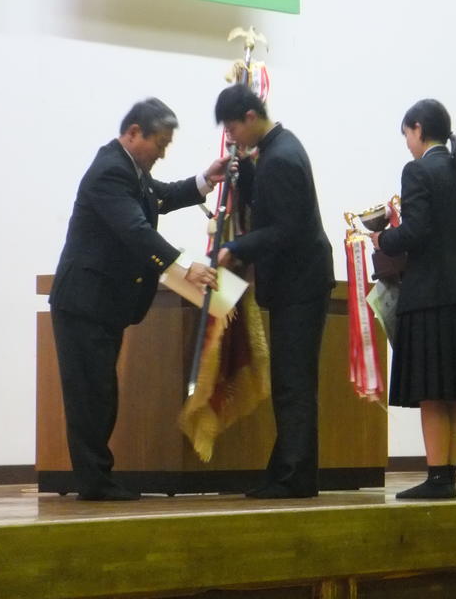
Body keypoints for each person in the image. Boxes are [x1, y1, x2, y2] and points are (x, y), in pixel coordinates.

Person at [49, 98, 227, 501]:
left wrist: (205, 179)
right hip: (84, 303)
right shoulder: (110, 171)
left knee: (100, 392)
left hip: (101, 304)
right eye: (159, 144)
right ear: (133, 133)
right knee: (90, 395)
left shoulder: (131, 170)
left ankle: (98, 478)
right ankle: (94, 482)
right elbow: (134, 229)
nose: (162, 154)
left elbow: (160, 196)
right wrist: (182, 267)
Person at [214, 84, 334, 499]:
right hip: (296, 283)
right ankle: (287, 470)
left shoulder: (280, 157)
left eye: (232, 128)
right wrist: (245, 173)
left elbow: (285, 229)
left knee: (293, 383)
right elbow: (267, 206)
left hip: (300, 283)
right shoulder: (273, 150)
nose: (231, 137)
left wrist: (235, 248)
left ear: (250, 117)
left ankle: (295, 476)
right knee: (290, 380)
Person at [372, 99, 456, 500]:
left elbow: (416, 231)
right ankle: (446, 474)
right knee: (450, 391)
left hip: (428, 295)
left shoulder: (418, 170)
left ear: (419, 128)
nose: (407, 143)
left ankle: (437, 476)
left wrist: (383, 238)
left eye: (407, 134)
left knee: (432, 391)